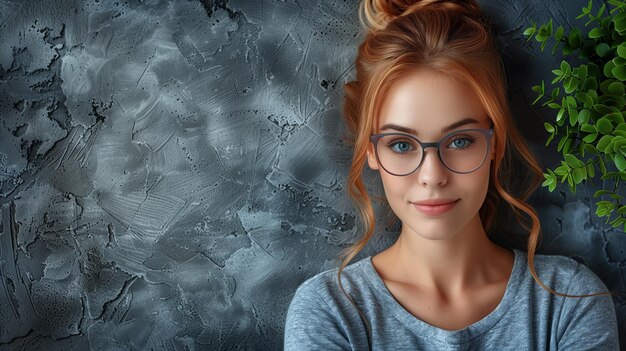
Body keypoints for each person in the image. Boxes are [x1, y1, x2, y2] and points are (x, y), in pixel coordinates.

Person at [284, 0, 620, 350]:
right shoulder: (331, 311)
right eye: (401, 144)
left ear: (495, 144)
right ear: (370, 150)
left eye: (460, 141)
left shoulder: (568, 301)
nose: (433, 175)